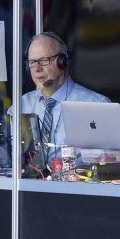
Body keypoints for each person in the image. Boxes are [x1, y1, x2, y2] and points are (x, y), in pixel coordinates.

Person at [8, 31, 110, 163]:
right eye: (32, 62)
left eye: (44, 60)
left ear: (63, 62)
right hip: (27, 183)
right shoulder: (20, 108)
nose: (36, 69)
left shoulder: (97, 105)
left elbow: (108, 163)